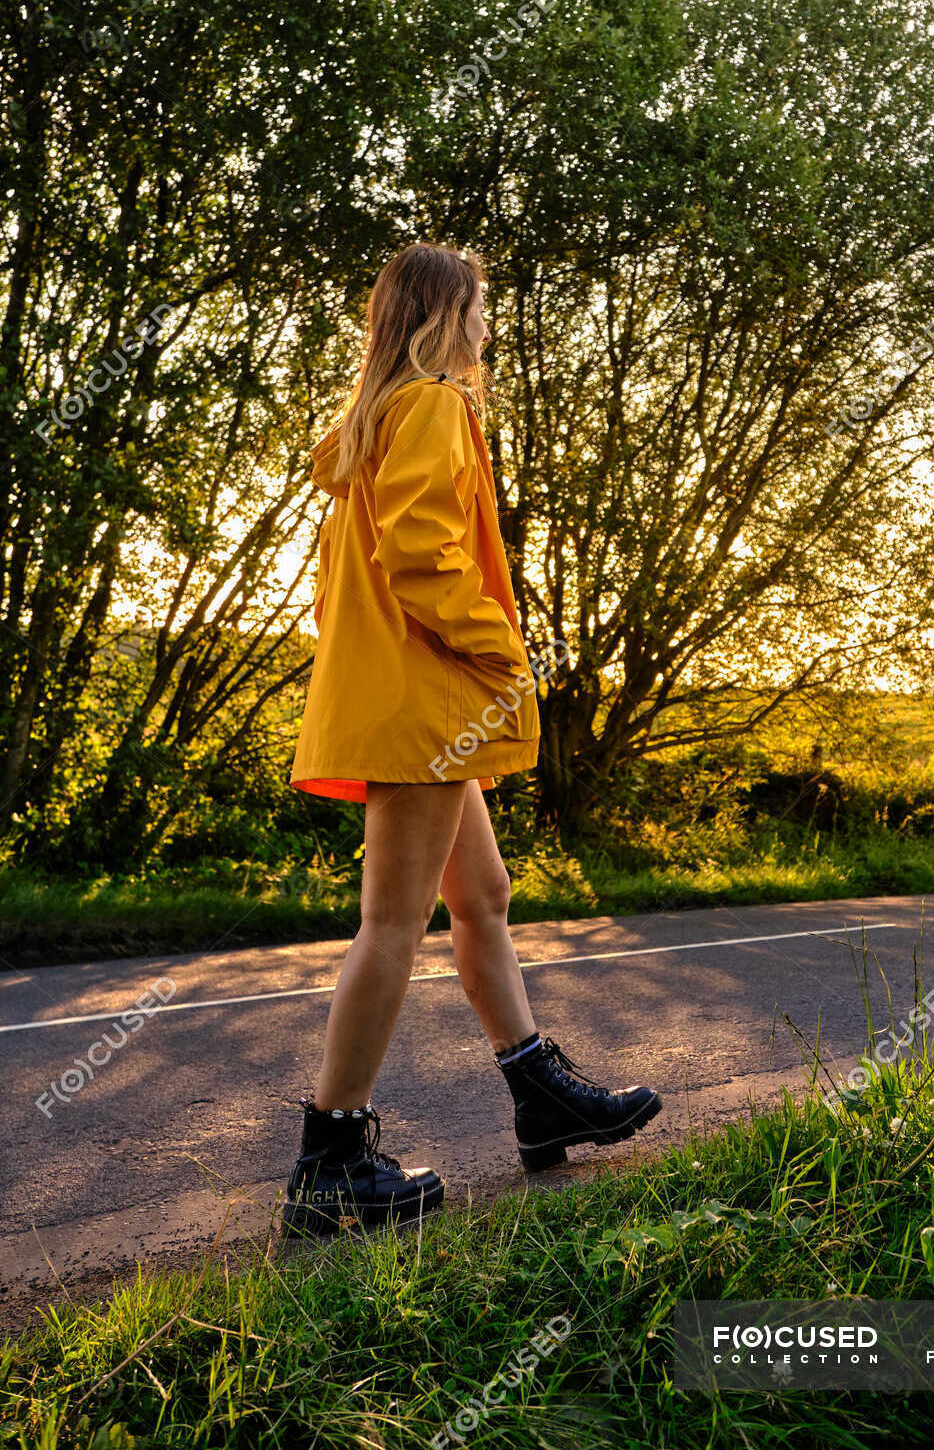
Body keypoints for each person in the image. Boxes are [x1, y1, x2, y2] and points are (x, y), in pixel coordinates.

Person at [282, 240, 661, 1239]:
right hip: (430, 707)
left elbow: (339, 595)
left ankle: (542, 1097)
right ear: (450, 317)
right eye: (481, 311)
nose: (488, 331)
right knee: (394, 925)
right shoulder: (436, 407)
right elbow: (420, 552)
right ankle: (331, 1159)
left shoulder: (373, 424)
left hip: (413, 702)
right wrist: (500, 653)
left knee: (481, 900)